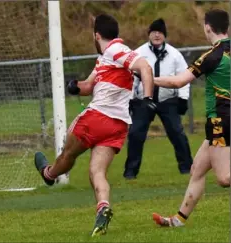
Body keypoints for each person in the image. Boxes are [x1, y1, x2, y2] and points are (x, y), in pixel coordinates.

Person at [33, 14, 156, 236]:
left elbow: (145, 67)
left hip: (97, 118)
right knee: (96, 171)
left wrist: (148, 99)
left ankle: (49, 174)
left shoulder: (115, 50)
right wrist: (75, 86)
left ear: (96, 35)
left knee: (67, 155)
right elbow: (89, 86)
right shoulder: (106, 59)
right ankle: (103, 208)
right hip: (117, 126)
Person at [152, 9, 230, 227]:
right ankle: (178, 220)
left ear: (207, 28)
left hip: (220, 121)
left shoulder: (211, 56)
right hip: (223, 121)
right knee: (197, 169)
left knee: (224, 178)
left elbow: (178, 82)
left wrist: (150, 77)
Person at [124, 18, 193, 179]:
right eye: (154, 32)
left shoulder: (174, 54)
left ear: (164, 35)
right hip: (143, 100)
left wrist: (183, 98)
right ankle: (130, 172)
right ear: (149, 34)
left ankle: (187, 168)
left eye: (160, 32)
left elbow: (183, 77)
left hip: (167, 101)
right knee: (135, 134)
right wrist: (130, 98)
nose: (156, 35)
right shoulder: (138, 53)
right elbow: (131, 78)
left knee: (177, 133)